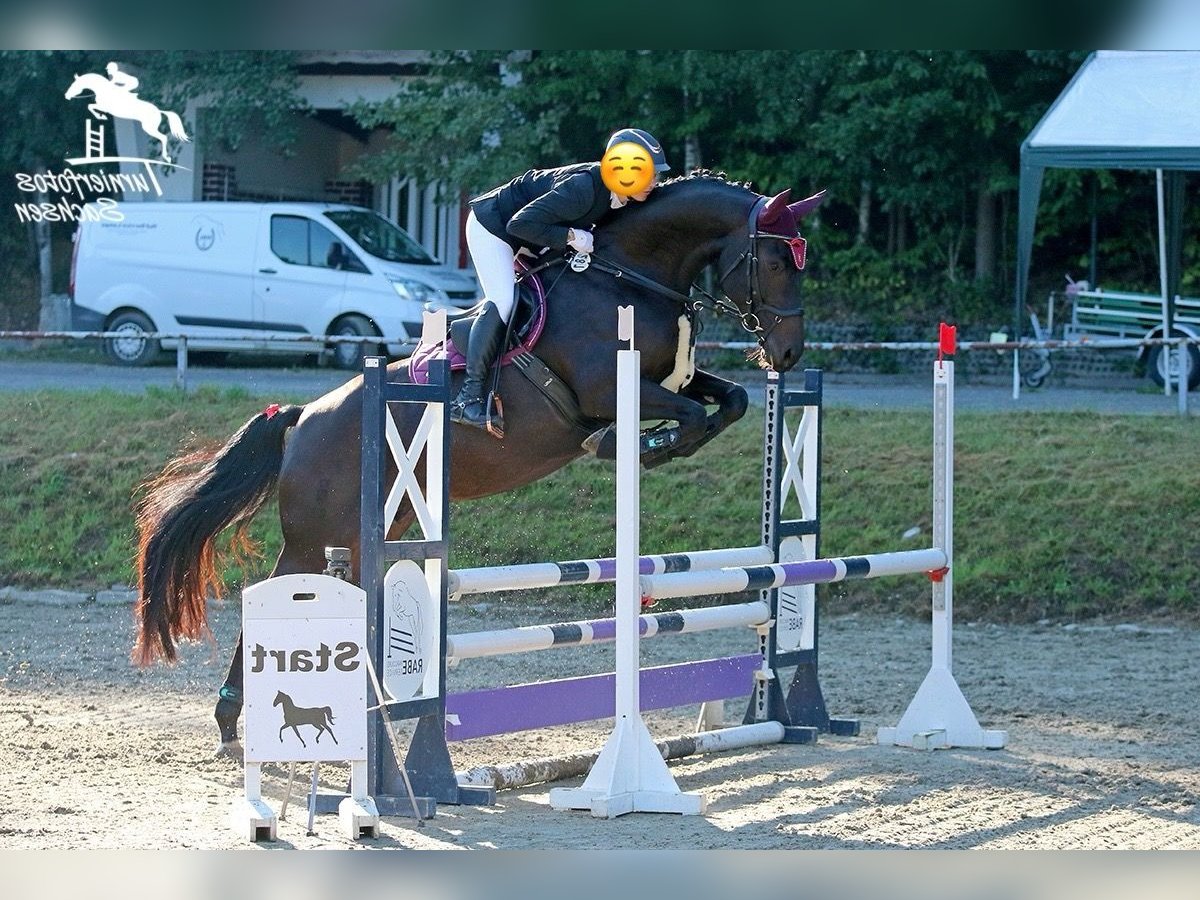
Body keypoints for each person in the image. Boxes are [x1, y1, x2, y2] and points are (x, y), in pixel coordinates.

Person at [450, 127, 671, 432]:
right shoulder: (582, 188)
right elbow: (519, 224)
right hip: (495, 226)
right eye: (648, 174)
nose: (654, 183)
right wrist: (570, 236)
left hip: (531, 232)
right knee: (503, 299)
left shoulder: (620, 197)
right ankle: (467, 398)